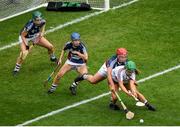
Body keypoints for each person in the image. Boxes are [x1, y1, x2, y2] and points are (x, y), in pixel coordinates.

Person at [13, 11, 57, 75]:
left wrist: (41, 34)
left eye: (40, 20)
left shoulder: (43, 21)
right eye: (37, 20)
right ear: (34, 20)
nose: (39, 21)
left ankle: (52, 58)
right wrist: (27, 46)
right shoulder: (30, 26)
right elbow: (23, 35)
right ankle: (16, 69)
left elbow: (42, 29)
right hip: (25, 37)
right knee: (24, 53)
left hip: (35, 35)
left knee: (50, 47)